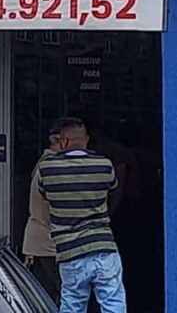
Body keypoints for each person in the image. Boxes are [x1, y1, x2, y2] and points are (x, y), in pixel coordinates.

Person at [38, 118, 126, 313]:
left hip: (70, 251)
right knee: (113, 302)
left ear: (63, 141)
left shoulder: (47, 169)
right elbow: (112, 189)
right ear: (86, 139)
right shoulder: (104, 165)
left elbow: (43, 193)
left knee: (72, 304)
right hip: (103, 246)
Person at [23, 124, 63, 302]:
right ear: (59, 141)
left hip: (38, 243)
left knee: (43, 296)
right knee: (63, 295)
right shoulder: (53, 167)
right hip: (50, 244)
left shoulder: (44, 163)